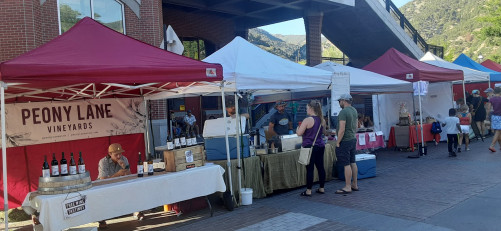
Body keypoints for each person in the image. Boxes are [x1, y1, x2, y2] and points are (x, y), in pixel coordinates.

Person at [97, 143, 142, 228]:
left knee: (134, 187)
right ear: (110, 154)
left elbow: (129, 175)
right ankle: (102, 219)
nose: (119, 156)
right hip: (106, 185)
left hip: (119, 183)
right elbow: (103, 180)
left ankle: (136, 210)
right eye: (116, 154)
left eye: (120, 154)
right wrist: (117, 174)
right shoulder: (103, 162)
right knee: (101, 195)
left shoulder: (124, 159)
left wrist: (124, 168)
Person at [296, 100, 327, 196]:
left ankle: (308, 190)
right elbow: (324, 133)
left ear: (311, 108)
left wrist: (298, 128)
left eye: (307, 108)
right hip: (320, 145)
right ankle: (321, 188)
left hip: (309, 146)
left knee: (310, 169)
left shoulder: (307, 120)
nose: (306, 110)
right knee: (320, 167)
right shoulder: (322, 120)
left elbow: (299, 133)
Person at [334, 93, 358, 194]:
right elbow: (356, 126)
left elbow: (342, 129)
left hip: (345, 140)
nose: (339, 103)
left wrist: (338, 142)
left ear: (344, 100)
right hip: (352, 138)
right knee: (353, 162)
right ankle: (355, 184)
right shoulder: (354, 110)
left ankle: (348, 186)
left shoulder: (343, 112)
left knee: (346, 164)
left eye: (340, 101)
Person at [488, 87, 501, 152]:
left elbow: (488, 108)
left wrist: (487, 116)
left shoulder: (491, 99)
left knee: (498, 131)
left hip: (494, 116)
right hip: (500, 116)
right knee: (498, 131)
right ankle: (492, 146)